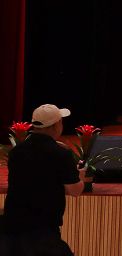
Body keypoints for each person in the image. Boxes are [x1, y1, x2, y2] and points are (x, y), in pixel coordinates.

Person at [2, 104, 83, 256]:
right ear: (56, 125)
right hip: (43, 231)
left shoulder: (16, 152)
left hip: (12, 230)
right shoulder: (60, 154)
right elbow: (75, 190)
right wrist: (81, 176)